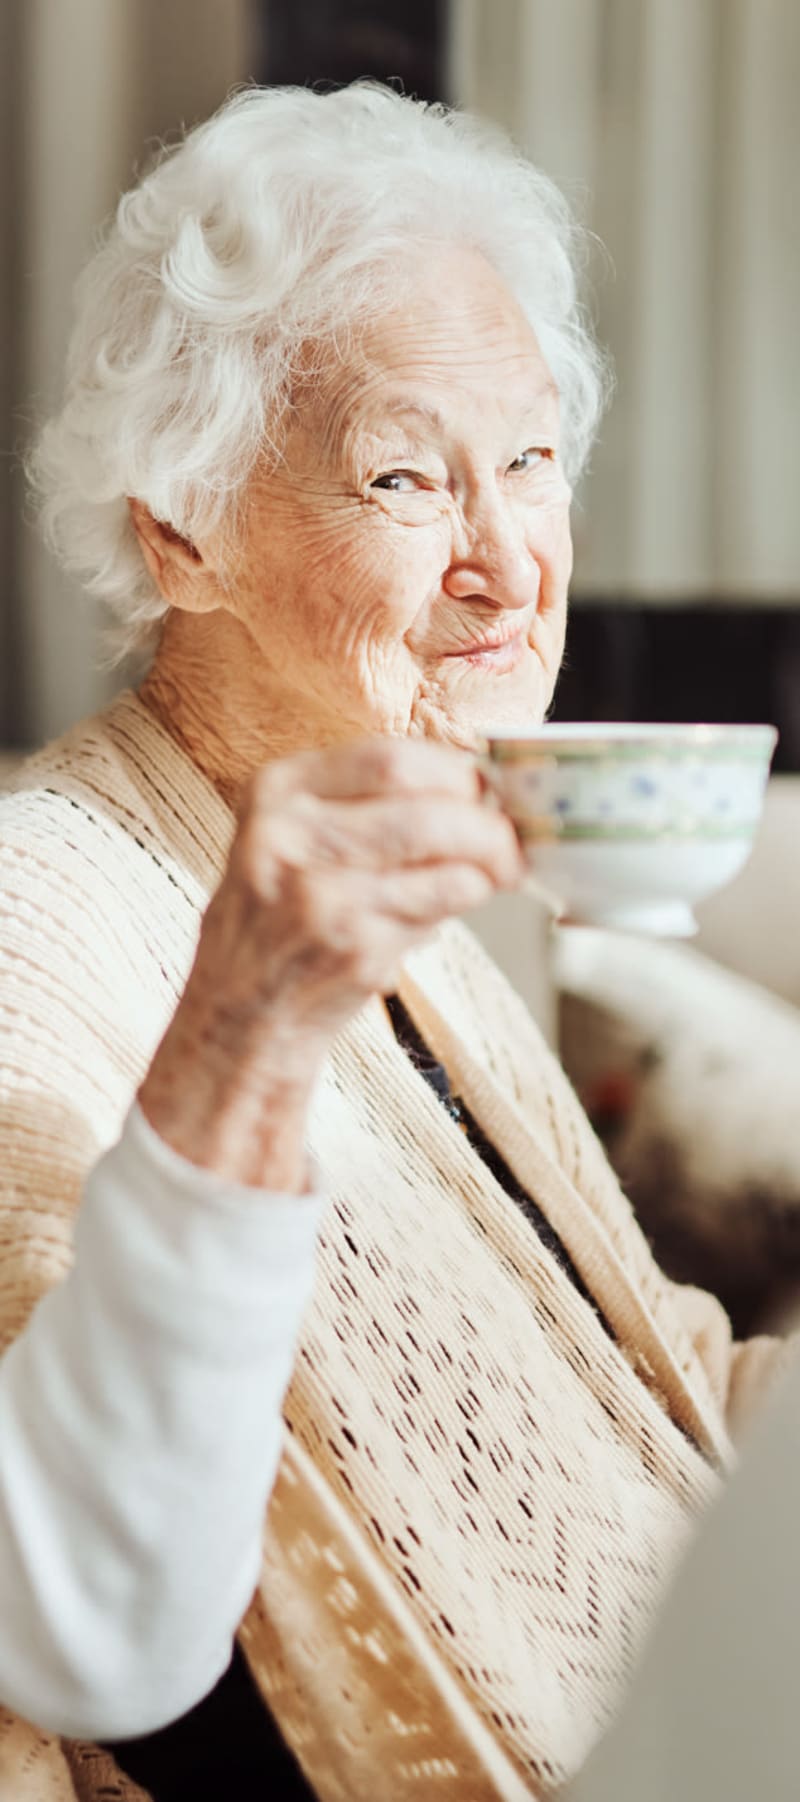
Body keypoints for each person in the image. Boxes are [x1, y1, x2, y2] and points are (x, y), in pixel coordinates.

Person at [0, 82, 793, 1802]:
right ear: (179, 528)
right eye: (406, 476)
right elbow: (70, 1628)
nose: (513, 562)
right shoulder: (39, 913)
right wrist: (247, 1029)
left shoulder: (427, 911)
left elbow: (662, 1416)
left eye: (530, 461)